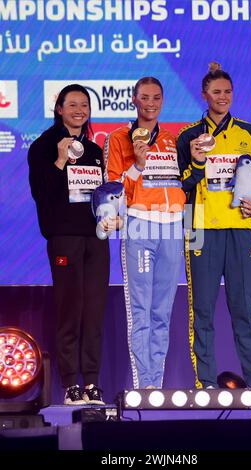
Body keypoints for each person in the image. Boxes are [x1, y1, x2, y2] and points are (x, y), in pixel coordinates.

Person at [177, 62, 251, 404]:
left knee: (243, 311)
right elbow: (181, 187)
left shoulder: (249, 133)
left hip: (241, 229)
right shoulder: (188, 135)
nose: (222, 97)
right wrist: (196, 161)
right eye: (216, 92)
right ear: (204, 95)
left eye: (227, 91)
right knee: (203, 312)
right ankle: (206, 385)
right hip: (199, 229)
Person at [28, 84, 110, 405]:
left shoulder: (92, 150)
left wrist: (110, 214)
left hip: (96, 239)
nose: (79, 110)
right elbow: (42, 194)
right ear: (59, 108)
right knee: (70, 309)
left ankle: (91, 382)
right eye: (72, 104)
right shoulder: (43, 147)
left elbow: (97, 195)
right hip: (64, 238)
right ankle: (70, 384)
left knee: (93, 311)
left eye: (84, 105)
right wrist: (60, 160)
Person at [106, 77, 186, 389]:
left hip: (172, 228)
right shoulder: (118, 138)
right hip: (138, 225)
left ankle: (158, 383)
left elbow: (182, 183)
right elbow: (112, 190)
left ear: (162, 102)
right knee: (140, 310)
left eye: (156, 98)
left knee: (161, 312)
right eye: (144, 98)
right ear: (134, 100)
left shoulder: (172, 139)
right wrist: (137, 165)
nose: (150, 103)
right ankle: (145, 386)